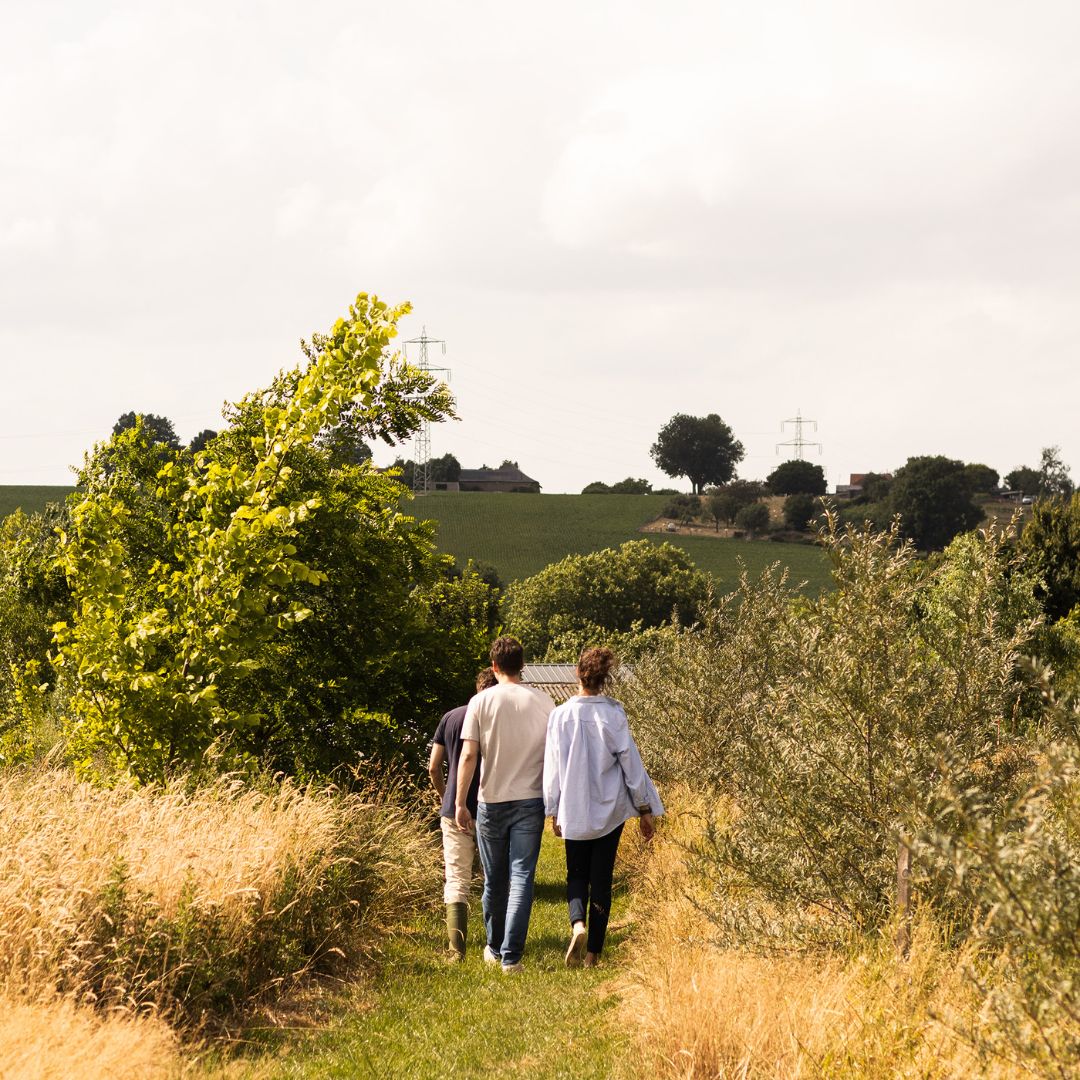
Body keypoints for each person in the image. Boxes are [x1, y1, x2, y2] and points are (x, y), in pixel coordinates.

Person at [544, 646, 663, 968]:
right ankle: (593, 955)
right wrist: (645, 808)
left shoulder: (560, 715)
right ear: (605, 678)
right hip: (610, 810)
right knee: (602, 878)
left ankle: (576, 924)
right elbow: (631, 764)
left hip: (574, 807)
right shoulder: (613, 713)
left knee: (576, 874)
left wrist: (552, 808)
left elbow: (552, 767)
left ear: (577, 674)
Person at [455, 636, 554, 974]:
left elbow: (469, 754)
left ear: (494, 666)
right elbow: (553, 758)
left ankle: (494, 947)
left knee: (494, 879)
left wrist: (459, 802)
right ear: (522, 665)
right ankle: (511, 956)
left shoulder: (480, 702)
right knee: (522, 876)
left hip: (490, 800)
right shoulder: (545, 702)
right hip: (530, 799)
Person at [428, 666, 499, 961]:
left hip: (454, 810)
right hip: (492, 806)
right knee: (495, 877)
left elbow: (433, 766)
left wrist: (446, 797)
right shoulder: (497, 720)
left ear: (476, 687)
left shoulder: (451, 717)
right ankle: (496, 945)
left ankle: (456, 950)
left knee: (456, 878)